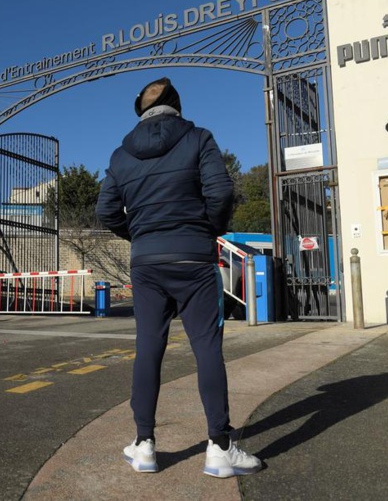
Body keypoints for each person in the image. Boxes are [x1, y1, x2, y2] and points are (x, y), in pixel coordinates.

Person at [95, 77, 261, 478]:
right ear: (177, 104)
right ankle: (220, 447)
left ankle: (144, 444)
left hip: (147, 263)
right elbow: (220, 193)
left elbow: (106, 211)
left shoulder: (121, 155)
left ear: (141, 110)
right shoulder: (199, 138)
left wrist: (141, 234)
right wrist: (206, 230)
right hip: (193, 259)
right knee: (206, 347)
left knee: (148, 347)